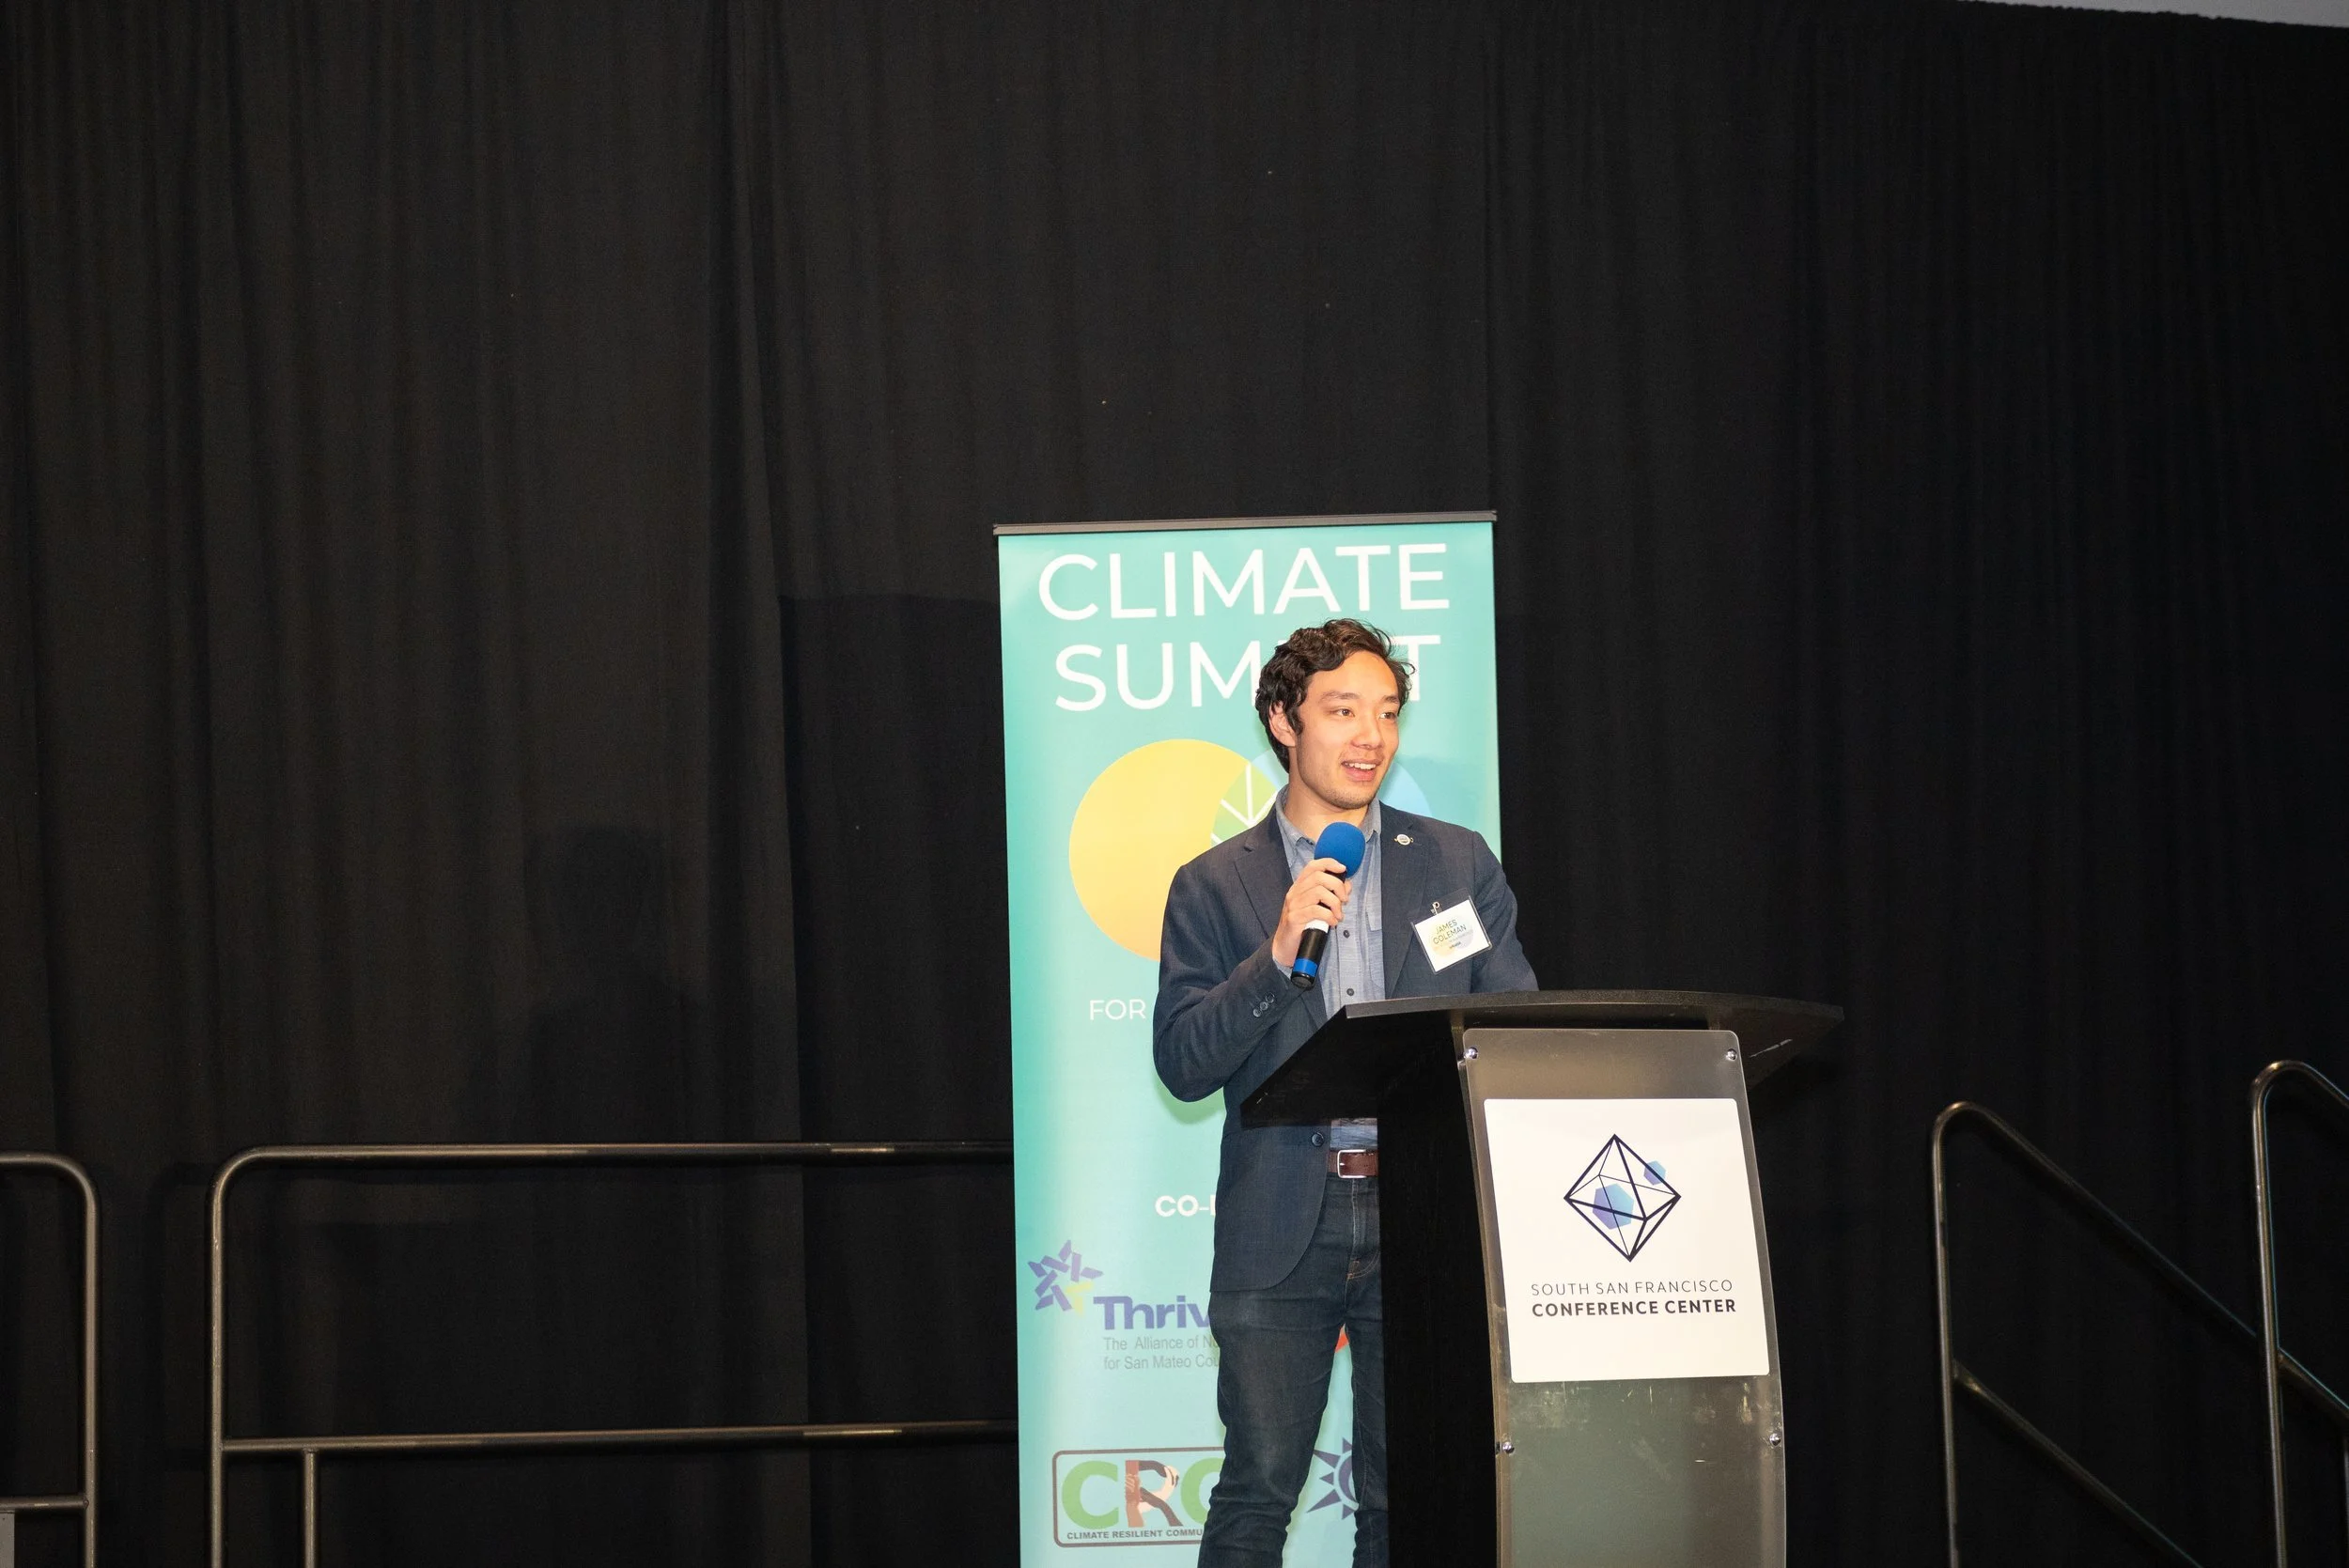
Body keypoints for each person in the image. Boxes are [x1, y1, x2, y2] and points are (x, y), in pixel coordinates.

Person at [1153, 617, 1537, 1567]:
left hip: (1424, 1214)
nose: (1372, 735)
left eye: (1388, 712)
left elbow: (1512, 1027)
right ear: (1284, 722)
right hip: (1281, 1217)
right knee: (1257, 1490)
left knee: (1406, 1491)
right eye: (1343, 710)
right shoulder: (1213, 884)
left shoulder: (1455, 862)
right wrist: (1276, 955)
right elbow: (1184, 1061)